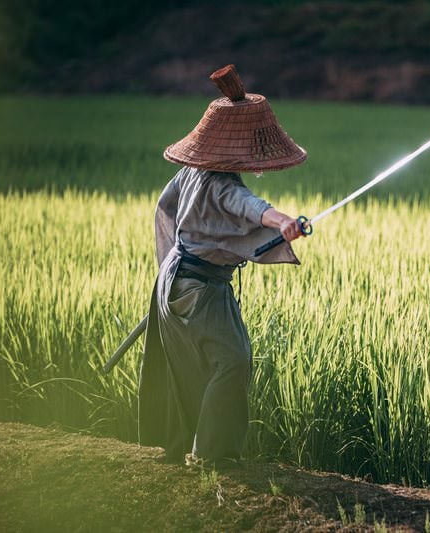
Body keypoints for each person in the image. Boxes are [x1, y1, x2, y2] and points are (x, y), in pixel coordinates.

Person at [138, 64, 307, 466]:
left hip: (175, 282)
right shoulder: (222, 184)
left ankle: (181, 447)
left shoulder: (191, 171)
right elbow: (247, 206)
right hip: (199, 286)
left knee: (187, 367)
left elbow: (165, 209)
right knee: (232, 360)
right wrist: (282, 221)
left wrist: (166, 276)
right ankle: (211, 455)